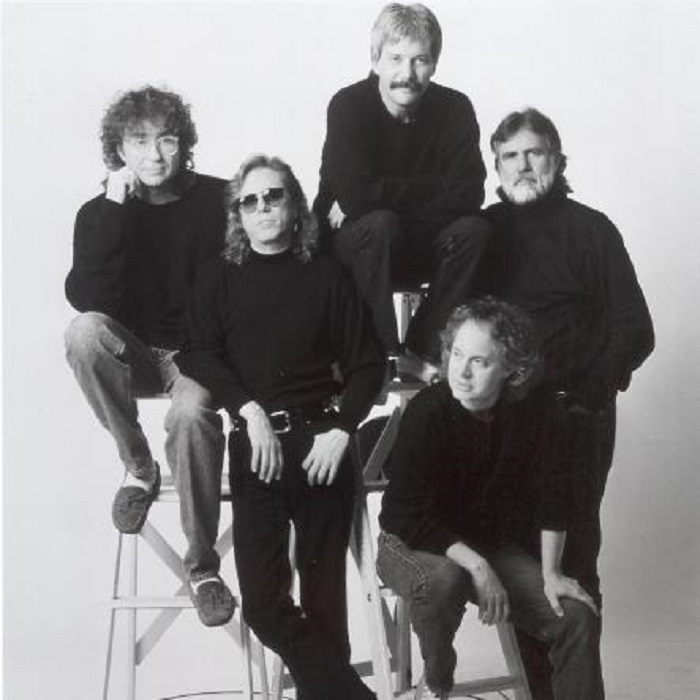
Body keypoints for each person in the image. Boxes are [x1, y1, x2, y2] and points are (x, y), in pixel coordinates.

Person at [176, 154, 385, 699]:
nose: (263, 207)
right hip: (257, 445)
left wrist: (342, 428)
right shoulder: (218, 278)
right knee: (265, 606)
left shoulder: (326, 275)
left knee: (324, 602)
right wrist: (248, 411)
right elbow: (197, 353)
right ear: (237, 215)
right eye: (250, 200)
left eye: (274, 195)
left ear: (295, 205)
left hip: (321, 446)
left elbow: (368, 364)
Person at [476, 107, 655, 696]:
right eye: (509, 156)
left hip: (576, 415)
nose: (522, 166)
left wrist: (588, 394)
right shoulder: (485, 231)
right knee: (521, 564)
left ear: (557, 159)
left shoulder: (592, 229)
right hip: (505, 421)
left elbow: (635, 328)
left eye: (534, 152)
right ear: (495, 167)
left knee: (573, 565)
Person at [64, 86, 235, 627]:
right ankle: (139, 468)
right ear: (119, 149)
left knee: (190, 415)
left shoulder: (220, 199)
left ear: (184, 144)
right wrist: (115, 209)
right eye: (139, 141)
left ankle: (203, 568)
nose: (155, 155)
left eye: (167, 140)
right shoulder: (100, 213)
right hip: (135, 355)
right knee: (83, 333)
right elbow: (88, 299)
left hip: (198, 355)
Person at [378, 298, 605, 700]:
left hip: (489, 547)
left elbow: (555, 494)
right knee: (445, 579)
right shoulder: (427, 412)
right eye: (457, 354)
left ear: (512, 370)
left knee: (575, 616)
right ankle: (436, 683)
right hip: (410, 545)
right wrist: (478, 566)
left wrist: (551, 573)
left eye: (479, 362)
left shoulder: (534, 410)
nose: (461, 372)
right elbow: (407, 515)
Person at [314, 2, 489, 381]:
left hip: (420, 243)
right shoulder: (348, 106)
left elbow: (470, 193)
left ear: (434, 63)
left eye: (419, 60)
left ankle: (418, 350)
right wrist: (435, 185)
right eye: (395, 58)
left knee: (473, 231)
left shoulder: (456, 108)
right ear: (375, 60)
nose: (406, 74)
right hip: (358, 246)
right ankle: (376, 356)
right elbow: (356, 197)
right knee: (380, 224)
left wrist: (373, 193)